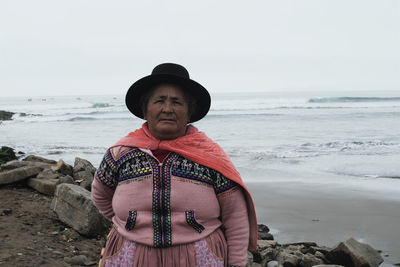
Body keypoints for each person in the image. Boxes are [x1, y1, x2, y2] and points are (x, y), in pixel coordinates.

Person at [92, 63, 258, 267]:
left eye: (177, 102)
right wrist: (131, 224)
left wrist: (235, 263)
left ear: (189, 112)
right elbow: (100, 195)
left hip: (199, 257)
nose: (168, 109)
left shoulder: (210, 157)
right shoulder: (120, 154)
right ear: (145, 110)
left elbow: (236, 216)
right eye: (159, 101)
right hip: (130, 255)